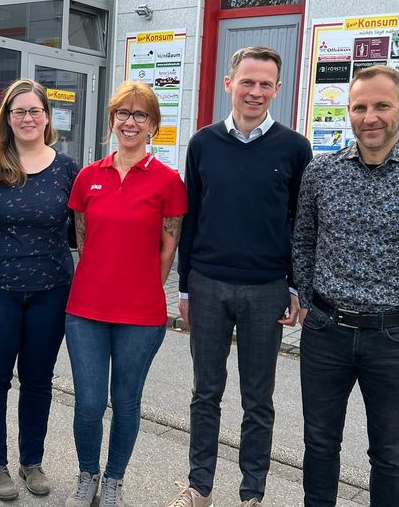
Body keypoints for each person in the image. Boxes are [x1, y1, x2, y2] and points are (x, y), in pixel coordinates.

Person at [292, 65, 399, 506]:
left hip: (394, 340)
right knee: (319, 445)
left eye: (382, 106)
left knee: (389, 456)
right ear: (349, 113)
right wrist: (308, 300)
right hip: (325, 333)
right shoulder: (321, 173)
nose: (370, 116)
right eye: (360, 107)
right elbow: (303, 239)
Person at [169, 46, 312, 507]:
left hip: (267, 289)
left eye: (265, 84)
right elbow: (191, 220)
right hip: (208, 285)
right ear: (228, 84)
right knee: (205, 392)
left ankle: (252, 494)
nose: (255, 91)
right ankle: (199, 487)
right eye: (247, 82)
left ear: (277, 89)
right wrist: (186, 287)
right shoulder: (203, 143)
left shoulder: (295, 148)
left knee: (258, 399)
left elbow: (301, 223)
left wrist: (295, 287)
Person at [0, 79, 79, 501]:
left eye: (35, 111)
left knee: (39, 380)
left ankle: (32, 461)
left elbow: (78, 228)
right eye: (18, 111)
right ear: (7, 118)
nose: (27, 118)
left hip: (52, 289)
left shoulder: (67, 168)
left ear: (47, 117)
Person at [65, 80, 187, 507]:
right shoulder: (88, 176)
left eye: (140, 115)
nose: (130, 122)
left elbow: (167, 248)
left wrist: (141, 288)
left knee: (126, 400)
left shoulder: (168, 180)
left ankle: (114, 480)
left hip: (142, 312)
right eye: (123, 113)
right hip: (85, 309)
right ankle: (87, 475)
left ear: (153, 124)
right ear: (112, 120)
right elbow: (83, 238)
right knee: (89, 402)